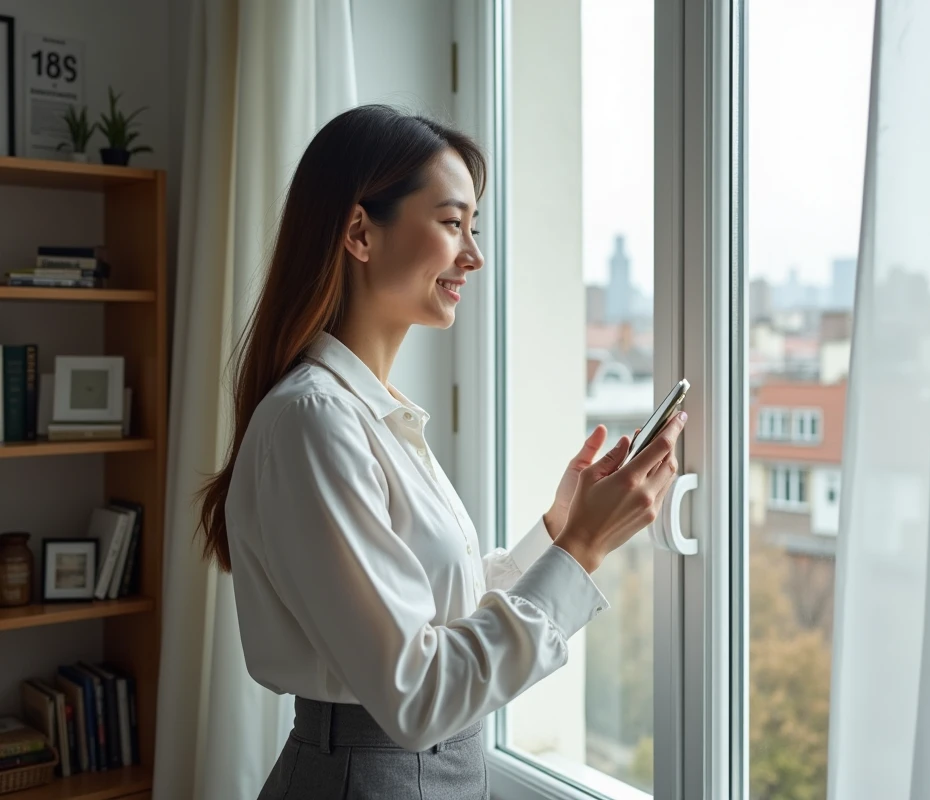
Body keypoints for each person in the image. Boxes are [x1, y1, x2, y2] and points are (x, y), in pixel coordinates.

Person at [196, 105, 686, 799]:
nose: (474, 255)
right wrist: (581, 549)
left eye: (472, 229)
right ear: (360, 233)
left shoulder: (365, 413)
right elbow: (419, 695)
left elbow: (435, 620)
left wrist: (555, 532)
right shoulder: (314, 421)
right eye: (453, 224)